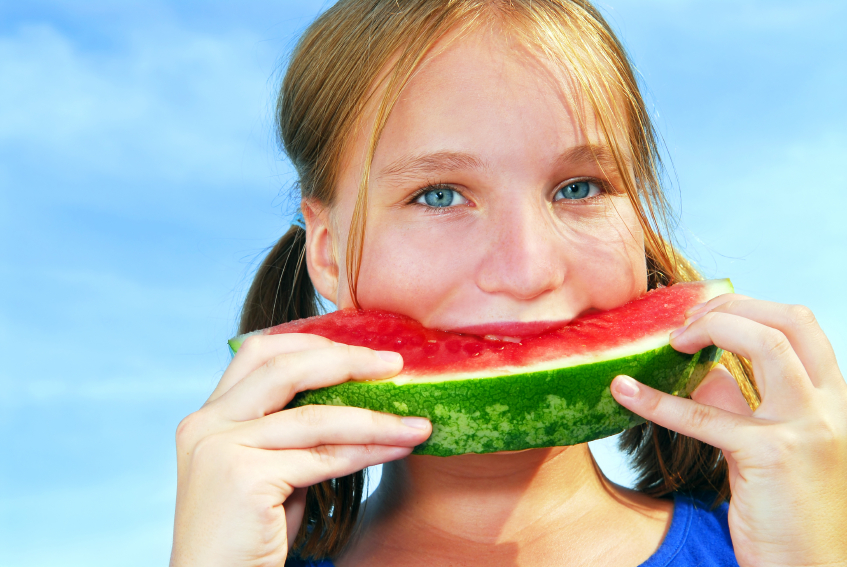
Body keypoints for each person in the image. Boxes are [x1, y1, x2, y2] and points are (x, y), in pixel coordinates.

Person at [169, 1, 847, 566]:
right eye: (438, 195)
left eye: (578, 188)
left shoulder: (776, 550)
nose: (528, 269)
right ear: (327, 252)